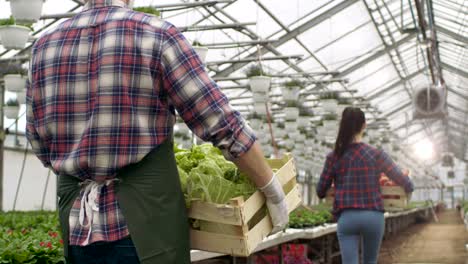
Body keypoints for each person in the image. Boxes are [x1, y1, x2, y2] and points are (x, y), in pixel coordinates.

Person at [25, 0, 288, 263]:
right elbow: (221, 123)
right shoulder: (156, 34)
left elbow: (37, 143)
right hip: (145, 227)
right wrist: (271, 187)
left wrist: (85, 163)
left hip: (78, 226)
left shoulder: (44, 47)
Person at [316, 107, 414, 264]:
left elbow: (320, 191)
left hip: (347, 218)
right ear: (364, 125)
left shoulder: (334, 156)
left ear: (342, 125)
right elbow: (400, 178)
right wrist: (409, 187)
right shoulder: (376, 154)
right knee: (370, 261)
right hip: (373, 217)